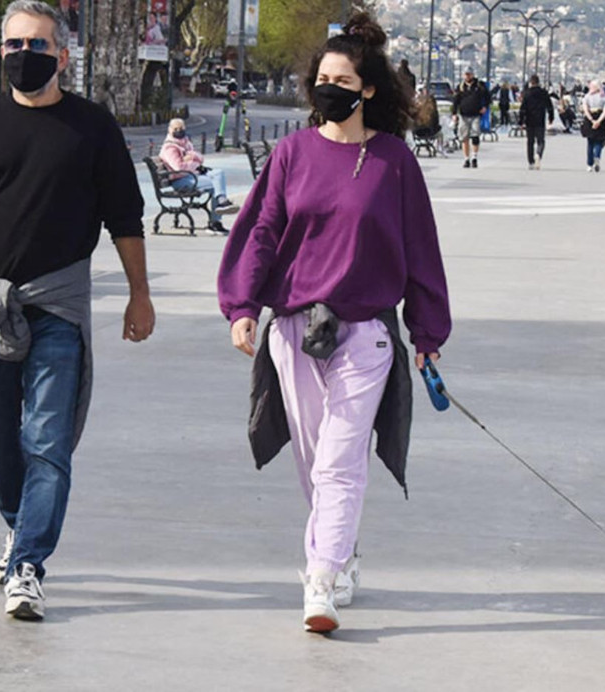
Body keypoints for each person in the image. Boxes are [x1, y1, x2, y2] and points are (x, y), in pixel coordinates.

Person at [0, 0, 155, 621]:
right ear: (1, 54)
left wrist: (139, 293)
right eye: (13, 45)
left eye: (36, 46)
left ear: (62, 56)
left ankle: (28, 566)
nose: (23, 55)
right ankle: (19, 527)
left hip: (59, 310)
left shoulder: (93, 127)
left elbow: (125, 218)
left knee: (48, 442)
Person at [217, 12, 450, 634]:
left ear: (367, 88)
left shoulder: (394, 162)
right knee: (314, 461)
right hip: (294, 328)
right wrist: (242, 307)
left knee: (340, 462)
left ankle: (319, 580)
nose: (329, 89)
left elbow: (421, 248)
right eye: (321, 78)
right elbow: (260, 230)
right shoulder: (292, 153)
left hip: (365, 332)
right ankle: (341, 553)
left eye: (341, 79)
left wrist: (427, 334)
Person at [159, 117, 239, 234]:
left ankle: (216, 221)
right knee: (217, 180)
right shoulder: (170, 148)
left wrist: (191, 158)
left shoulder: (186, 144)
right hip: (180, 181)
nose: (179, 131)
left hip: (191, 177)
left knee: (218, 176)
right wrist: (193, 162)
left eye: (181, 128)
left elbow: (201, 158)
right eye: (175, 128)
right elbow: (179, 168)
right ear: (169, 130)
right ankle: (220, 205)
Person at [452, 66, 489, 168]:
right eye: (465, 74)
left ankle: (474, 157)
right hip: (464, 115)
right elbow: (455, 101)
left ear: (472, 74)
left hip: (476, 114)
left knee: (475, 136)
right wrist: (454, 114)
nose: (467, 76)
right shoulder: (460, 86)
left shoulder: (479, 86)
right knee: (464, 138)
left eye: (469, 74)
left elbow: (487, 97)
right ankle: (466, 158)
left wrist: (485, 107)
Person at [518, 74, 554, 170]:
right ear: (538, 82)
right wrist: (551, 117)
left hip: (529, 120)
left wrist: (521, 121)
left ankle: (531, 162)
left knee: (530, 142)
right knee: (541, 141)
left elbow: (522, 109)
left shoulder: (527, 93)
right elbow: (550, 106)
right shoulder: (544, 93)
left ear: (531, 82)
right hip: (540, 120)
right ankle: (538, 154)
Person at [581, 79, 605, 172]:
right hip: (600, 117)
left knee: (590, 142)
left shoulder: (587, 97)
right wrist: (598, 121)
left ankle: (589, 164)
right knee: (599, 141)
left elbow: (585, 110)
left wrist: (592, 120)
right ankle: (597, 156)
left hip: (590, 118)